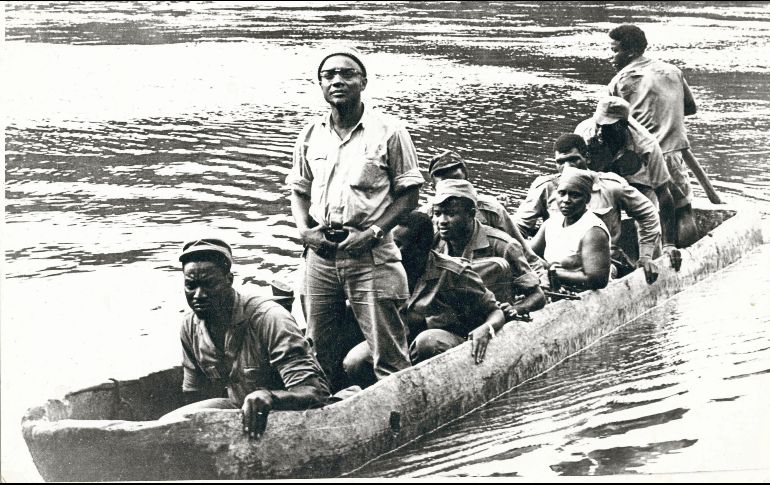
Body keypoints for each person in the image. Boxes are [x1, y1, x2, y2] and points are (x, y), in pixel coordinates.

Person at [286, 46, 424, 392]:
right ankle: (323, 411)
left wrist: (374, 233)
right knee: (316, 345)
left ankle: (396, 413)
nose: (337, 80)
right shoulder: (310, 134)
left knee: (388, 352)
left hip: (370, 253)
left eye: (347, 74)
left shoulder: (389, 131)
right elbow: (299, 190)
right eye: (329, 75)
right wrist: (305, 232)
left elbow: (410, 195)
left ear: (363, 82)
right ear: (320, 85)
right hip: (321, 254)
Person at [165, 238, 330, 440]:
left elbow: (315, 394)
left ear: (229, 280)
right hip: (239, 410)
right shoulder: (190, 324)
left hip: (290, 412)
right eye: (191, 286)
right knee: (173, 420)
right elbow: (195, 394)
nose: (199, 295)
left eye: (209, 285)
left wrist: (270, 396)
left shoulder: (270, 318)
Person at [343, 211, 507, 388]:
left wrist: (486, 329)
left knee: (428, 342)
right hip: (402, 341)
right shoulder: (384, 271)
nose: (390, 250)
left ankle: (439, 391)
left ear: (420, 248)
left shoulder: (453, 273)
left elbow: (495, 311)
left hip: (448, 343)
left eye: (397, 244)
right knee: (355, 361)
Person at [515, 134, 662, 284]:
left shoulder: (611, 186)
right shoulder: (545, 187)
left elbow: (648, 214)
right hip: (557, 263)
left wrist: (646, 256)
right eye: (560, 162)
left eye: (573, 159)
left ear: (587, 158)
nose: (567, 167)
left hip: (603, 265)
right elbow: (517, 229)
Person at [607, 24, 700, 248]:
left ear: (629, 52)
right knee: (683, 209)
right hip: (671, 152)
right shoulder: (672, 71)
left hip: (640, 157)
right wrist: (667, 114)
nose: (611, 57)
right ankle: (687, 256)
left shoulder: (619, 81)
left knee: (648, 215)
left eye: (614, 51)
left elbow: (611, 125)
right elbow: (690, 108)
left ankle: (656, 260)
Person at [574, 96, 681, 271]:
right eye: (598, 126)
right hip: (603, 183)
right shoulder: (585, 134)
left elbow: (663, 193)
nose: (600, 133)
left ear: (622, 126)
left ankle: (653, 262)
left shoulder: (646, 145)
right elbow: (575, 179)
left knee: (648, 220)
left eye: (607, 128)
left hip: (639, 184)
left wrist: (670, 243)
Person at [431, 179, 546, 320]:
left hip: (493, 320)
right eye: (437, 214)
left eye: (451, 214)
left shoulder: (504, 246)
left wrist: (516, 308)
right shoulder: (435, 241)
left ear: (471, 214)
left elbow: (538, 296)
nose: (442, 221)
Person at [424, 150, 538, 263]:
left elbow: (528, 258)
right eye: (445, 185)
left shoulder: (492, 211)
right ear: (433, 188)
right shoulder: (426, 216)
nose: (452, 190)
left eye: (458, 182)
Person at [531, 168, 612, 292]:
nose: (566, 200)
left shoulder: (593, 231)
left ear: (587, 199)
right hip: (553, 285)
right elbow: (530, 254)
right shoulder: (552, 222)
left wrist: (550, 272)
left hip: (581, 293)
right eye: (562, 193)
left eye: (575, 195)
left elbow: (597, 280)